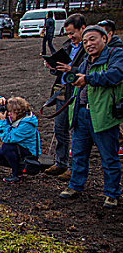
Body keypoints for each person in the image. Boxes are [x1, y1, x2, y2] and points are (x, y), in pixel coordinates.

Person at [59, 25, 123, 209]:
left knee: (108, 156)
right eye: (85, 41)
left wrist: (88, 78)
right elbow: (77, 76)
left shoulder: (115, 55)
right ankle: (75, 185)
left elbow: (115, 75)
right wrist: (64, 71)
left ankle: (112, 193)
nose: (88, 44)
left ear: (105, 38)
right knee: (78, 153)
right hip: (82, 112)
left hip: (103, 114)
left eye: (92, 39)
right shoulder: (87, 59)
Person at [44, 14, 87, 181]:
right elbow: (60, 68)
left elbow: (87, 70)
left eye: (72, 33)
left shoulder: (88, 48)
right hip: (62, 91)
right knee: (59, 129)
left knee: (76, 131)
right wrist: (53, 66)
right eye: (68, 33)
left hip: (77, 93)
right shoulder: (69, 45)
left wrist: (71, 68)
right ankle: (60, 162)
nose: (70, 37)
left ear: (82, 28)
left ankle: (73, 168)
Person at [0, 96, 41, 184]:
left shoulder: (27, 125)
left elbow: (7, 138)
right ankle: (19, 166)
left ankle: (16, 174)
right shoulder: (16, 117)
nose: (8, 114)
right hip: (18, 148)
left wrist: (3, 121)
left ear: (18, 112)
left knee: (7, 147)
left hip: (29, 152)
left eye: (10, 112)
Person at [98, 19, 123, 157]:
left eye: (103, 34)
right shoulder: (99, 51)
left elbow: (115, 74)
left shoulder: (117, 51)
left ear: (110, 33)